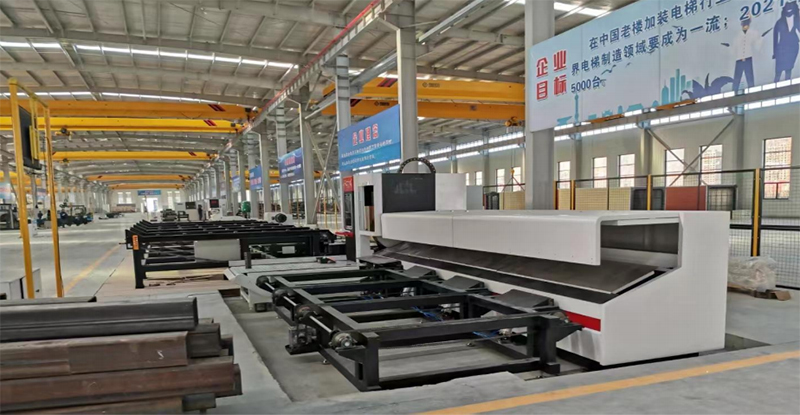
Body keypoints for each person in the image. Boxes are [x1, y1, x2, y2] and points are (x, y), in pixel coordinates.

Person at [724, 17, 762, 91]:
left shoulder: (753, 33)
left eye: (746, 24)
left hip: (748, 58)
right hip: (739, 59)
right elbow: (733, 49)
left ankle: (752, 93)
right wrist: (728, 47)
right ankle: (734, 94)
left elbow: (757, 46)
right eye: (743, 24)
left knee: (750, 79)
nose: (744, 26)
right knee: (736, 79)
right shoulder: (738, 36)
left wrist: (761, 39)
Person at [773, 1, 800, 82]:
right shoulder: (779, 22)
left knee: (789, 69)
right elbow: (775, 38)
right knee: (778, 71)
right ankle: (775, 86)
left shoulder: (797, 20)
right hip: (782, 49)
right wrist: (775, 52)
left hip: (793, 48)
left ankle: (788, 85)